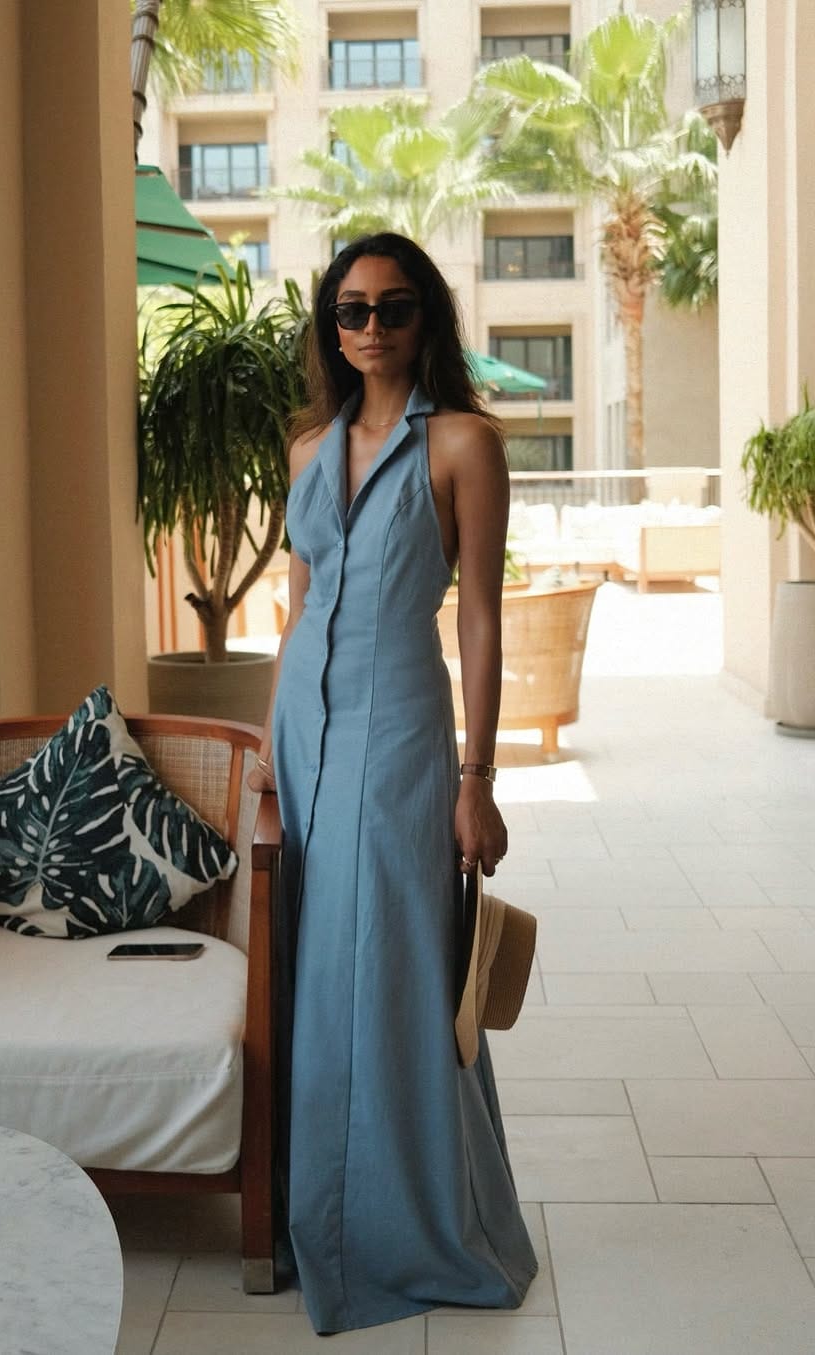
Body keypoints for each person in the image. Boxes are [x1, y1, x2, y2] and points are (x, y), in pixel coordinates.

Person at [248, 232, 537, 1334]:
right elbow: (300, 600)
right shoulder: (307, 444)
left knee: (396, 970)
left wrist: (479, 775)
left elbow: (478, 614)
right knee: (316, 968)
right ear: (331, 324)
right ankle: (316, 1202)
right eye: (351, 309)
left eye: (395, 307)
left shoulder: (462, 443)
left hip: (404, 732)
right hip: (309, 739)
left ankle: (404, 1222)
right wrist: (269, 743)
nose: (371, 328)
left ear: (428, 319)